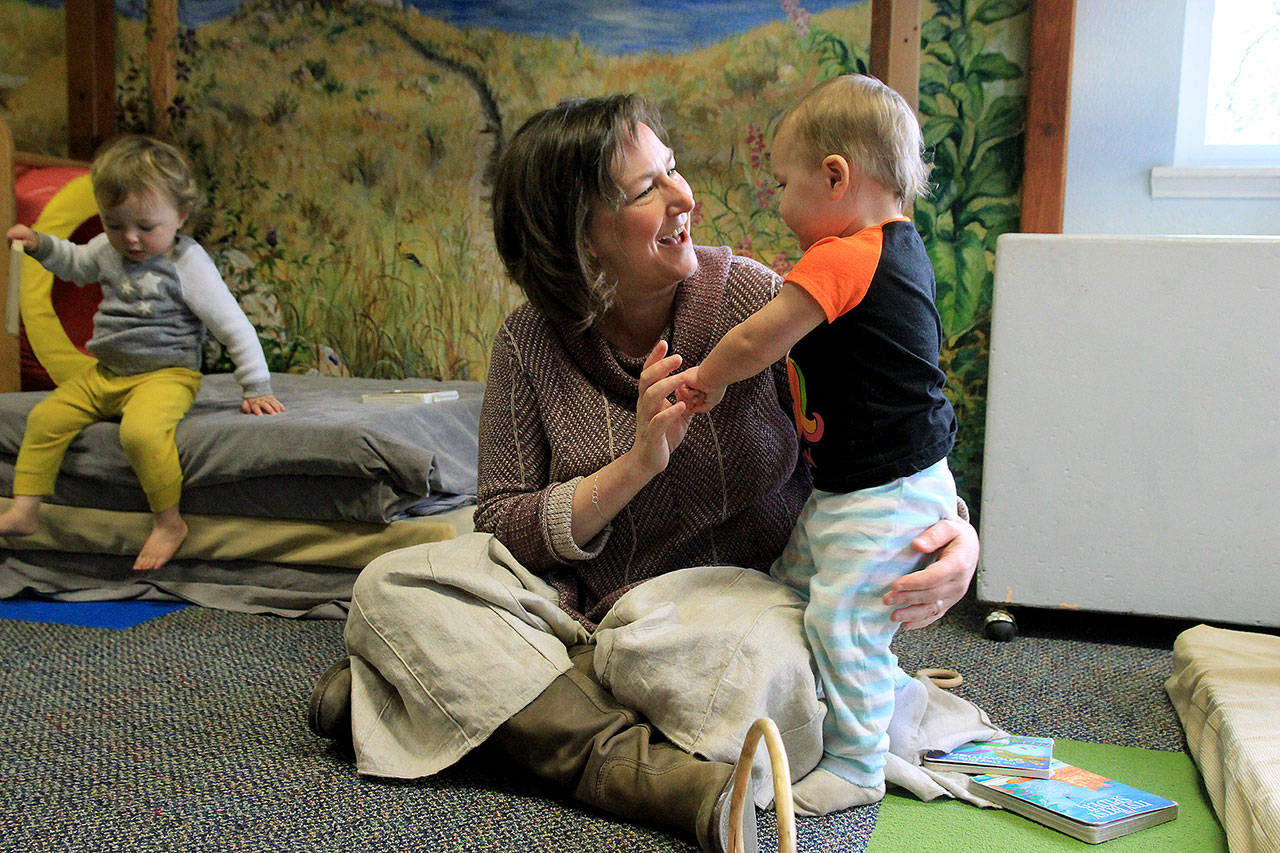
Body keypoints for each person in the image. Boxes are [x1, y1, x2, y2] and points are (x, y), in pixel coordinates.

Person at [307, 94, 980, 853]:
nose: (685, 196)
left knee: (773, 668)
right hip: (576, 615)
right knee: (394, 586)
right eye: (645, 189)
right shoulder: (529, 343)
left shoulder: (756, 298)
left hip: (730, 610)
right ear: (579, 239)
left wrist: (958, 533)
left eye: (673, 169)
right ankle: (637, 765)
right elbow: (501, 523)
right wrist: (635, 464)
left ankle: (469, 706)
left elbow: (890, 414)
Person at [677, 74, 957, 811]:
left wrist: (705, 377)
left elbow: (761, 337)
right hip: (871, 482)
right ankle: (891, 702)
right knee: (799, 582)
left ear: (834, 176)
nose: (777, 200)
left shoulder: (844, 255)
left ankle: (860, 764)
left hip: (884, 489)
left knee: (841, 616)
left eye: (781, 183)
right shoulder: (901, 248)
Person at [0, 134, 284, 570]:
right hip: (106, 373)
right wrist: (40, 245)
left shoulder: (186, 263)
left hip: (166, 375)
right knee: (45, 418)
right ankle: (26, 509)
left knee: (141, 434)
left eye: (145, 227)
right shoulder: (106, 249)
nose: (129, 239)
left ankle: (169, 522)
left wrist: (255, 386)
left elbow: (232, 325)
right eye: (115, 224)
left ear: (180, 216)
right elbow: (75, 264)